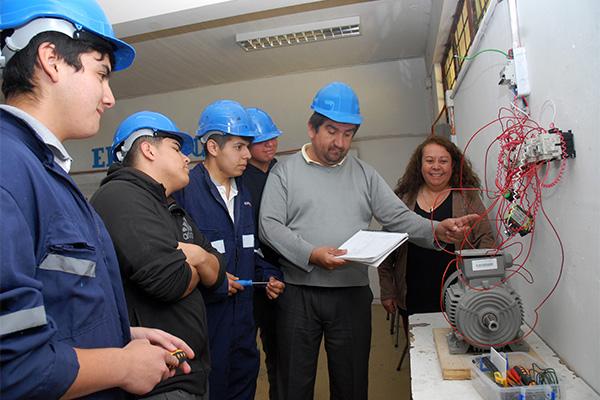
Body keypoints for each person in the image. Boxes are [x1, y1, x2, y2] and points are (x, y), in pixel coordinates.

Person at [0, 1, 192, 399]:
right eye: (101, 74)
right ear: (51, 59)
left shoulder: (43, 170)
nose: (109, 98)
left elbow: (54, 305)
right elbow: (13, 367)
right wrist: (122, 365)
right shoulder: (8, 167)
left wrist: (120, 333)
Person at [259, 81, 479, 400]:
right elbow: (270, 225)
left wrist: (438, 229)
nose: (340, 142)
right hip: (298, 295)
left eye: (348, 133)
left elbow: (398, 217)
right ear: (312, 128)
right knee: (293, 383)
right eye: (332, 131)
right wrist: (311, 254)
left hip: (351, 295)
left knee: (351, 383)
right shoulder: (285, 173)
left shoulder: (364, 174)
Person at [90, 111, 227, 400]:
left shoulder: (168, 205)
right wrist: (198, 263)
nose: (187, 159)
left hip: (189, 373)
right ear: (148, 149)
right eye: (177, 149)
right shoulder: (120, 197)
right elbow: (170, 282)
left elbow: (217, 276)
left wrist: (198, 257)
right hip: (159, 382)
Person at [173, 100, 285, 400]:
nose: (248, 154)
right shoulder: (185, 192)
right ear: (212, 147)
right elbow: (174, 261)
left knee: (244, 388)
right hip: (206, 329)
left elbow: (250, 250)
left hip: (244, 325)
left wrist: (269, 275)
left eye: (248, 146)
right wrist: (215, 280)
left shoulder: (242, 194)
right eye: (239, 147)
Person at [378, 135, 496, 317]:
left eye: (443, 161)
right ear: (420, 165)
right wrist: (387, 291)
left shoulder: (467, 197)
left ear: (453, 165)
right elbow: (385, 248)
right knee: (419, 345)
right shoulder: (404, 200)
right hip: (413, 295)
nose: (436, 167)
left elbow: (486, 240)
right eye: (429, 160)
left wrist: (482, 284)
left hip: (461, 294)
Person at [241, 107, 283, 400]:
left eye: (273, 139)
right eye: (262, 140)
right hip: (249, 276)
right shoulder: (239, 179)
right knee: (244, 352)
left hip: (283, 276)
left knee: (282, 353)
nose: (270, 144)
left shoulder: (284, 172)